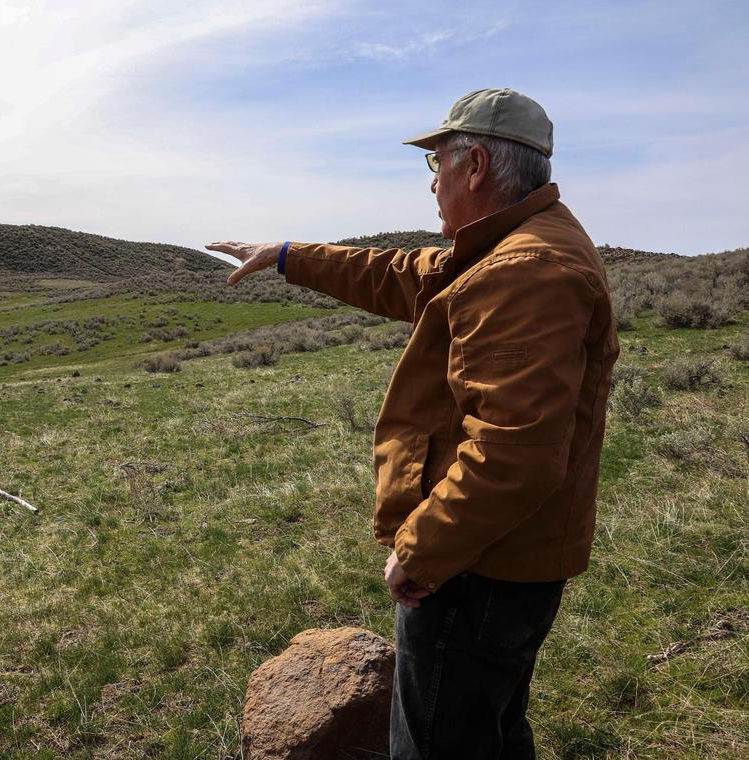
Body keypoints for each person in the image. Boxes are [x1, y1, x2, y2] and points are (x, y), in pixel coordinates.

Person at [207, 88, 619, 759]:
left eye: (439, 167)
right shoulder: (510, 247)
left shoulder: (526, 269)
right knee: (491, 731)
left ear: (477, 165)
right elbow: (401, 274)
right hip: (502, 557)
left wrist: (422, 548)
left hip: (478, 568)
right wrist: (286, 254)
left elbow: (514, 452)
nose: (432, 186)